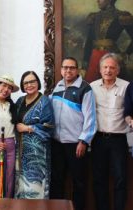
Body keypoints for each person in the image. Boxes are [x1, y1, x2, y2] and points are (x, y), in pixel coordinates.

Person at [50, 57, 97, 210]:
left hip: (76, 144)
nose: (68, 70)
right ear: (61, 70)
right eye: (65, 67)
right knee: (57, 181)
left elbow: (90, 118)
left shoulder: (85, 88)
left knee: (79, 182)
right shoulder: (57, 87)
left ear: (77, 70)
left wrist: (83, 141)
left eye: (71, 67)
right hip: (57, 143)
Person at [90, 53, 129, 210]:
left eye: (112, 67)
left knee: (120, 178)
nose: (108, 70)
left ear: (118, 70)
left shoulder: (127, 86)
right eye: (105, 67)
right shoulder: (91, 87)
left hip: (118, 140)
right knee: (99, 179)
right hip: (98, 139)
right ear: (100, 69)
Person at [14, 71, 54, 199]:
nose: (29, 85)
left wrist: (28, 128)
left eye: (32, 81)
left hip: (37, 153)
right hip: (20, 150)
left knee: (35, 187)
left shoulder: (44, 101)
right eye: (26, 83)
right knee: (21, 186)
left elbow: (49, 126)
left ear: (38, 83)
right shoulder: (20, 101)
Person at [83, 0, 133, 82]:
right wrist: (84, 66)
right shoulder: (94, 17)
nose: (97, 0)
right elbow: (89, 42)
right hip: (94, 58)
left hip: (112, 57)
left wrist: (126, 54)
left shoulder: (121, 16)